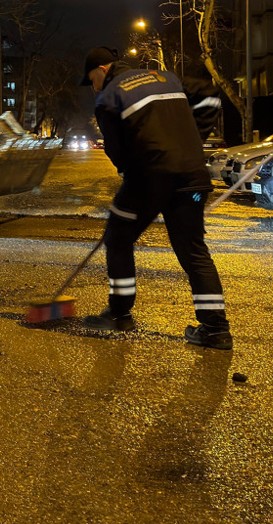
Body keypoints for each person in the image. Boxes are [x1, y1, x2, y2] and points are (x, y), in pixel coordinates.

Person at [81, 46, 231, 350]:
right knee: (193, 250)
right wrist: (193, 139)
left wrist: (130, 170)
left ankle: (120, 313)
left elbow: (117, 151)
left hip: (148, 179)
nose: (93, 86)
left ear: (100, 70)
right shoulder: (166, 78)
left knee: (118, 237)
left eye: (91, 80)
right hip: (191, 177)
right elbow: (211, 95)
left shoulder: (108, 97)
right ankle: (216, 329)